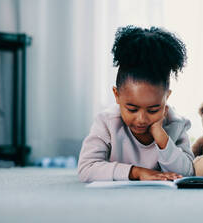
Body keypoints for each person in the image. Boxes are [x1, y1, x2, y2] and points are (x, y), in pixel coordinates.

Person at [77, 25, 194, 183]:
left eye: (153, 110)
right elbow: (86, 169)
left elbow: (188, 173)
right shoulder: (107, 122)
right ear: (117, 95)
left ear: (167, 97)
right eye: (132, 109)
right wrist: (136, 172)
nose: (141, 119)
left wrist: (161, 136)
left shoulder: (176, 124)